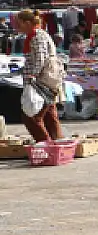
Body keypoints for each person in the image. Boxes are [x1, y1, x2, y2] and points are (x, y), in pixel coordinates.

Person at [14, 9, 64, 143]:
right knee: (49, 115)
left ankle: (45, 145)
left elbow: (40, 59)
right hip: (45, 80)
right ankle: (57, 143)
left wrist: (32, 76)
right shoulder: (35, 35)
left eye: (20, 23)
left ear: (28, 22)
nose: (18, 27)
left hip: (41, 82)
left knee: (31, 116)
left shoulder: (37, 36)